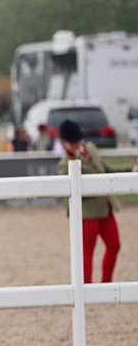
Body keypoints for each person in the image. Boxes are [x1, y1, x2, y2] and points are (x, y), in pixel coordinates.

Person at [56, 119, 133, 283]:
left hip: (105, 208)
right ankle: (86, 287)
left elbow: (106, 169)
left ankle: (106, 282)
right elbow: (67, 194)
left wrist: (130, 169)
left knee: (114, 246)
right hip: (87, 213)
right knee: (86, 253)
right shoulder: (65, 164)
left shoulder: (91, 149)